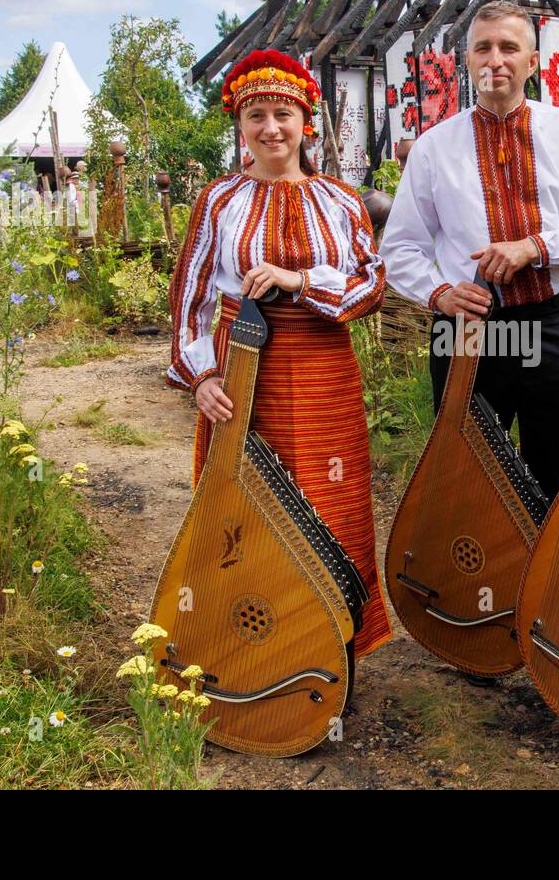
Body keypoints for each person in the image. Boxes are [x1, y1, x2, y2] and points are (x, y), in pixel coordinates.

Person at [167, 48, 393, 660]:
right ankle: (246, 648)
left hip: (324, 373)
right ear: (240, 126)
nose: (271, 127)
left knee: (329, 500)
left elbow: (371, 285)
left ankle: (331, 649)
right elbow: (188, 298)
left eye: (283, 114)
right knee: (244, 503)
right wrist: (202, 377)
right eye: (257, 115)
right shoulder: (218, 201)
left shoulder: (342, 202)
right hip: (243, 372)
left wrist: (301, 282)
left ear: (305, 122)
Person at [381, 0, 559, 504]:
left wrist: (535, 247)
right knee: (465, 475)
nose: (494, 59)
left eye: (508, 47)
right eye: (483, 48)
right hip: (466, 330)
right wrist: (439, 294)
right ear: (467, 61)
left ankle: (549, 580)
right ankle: (473, 580)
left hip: (551, 326)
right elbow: (400, 247)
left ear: (532, 62)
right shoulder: (434, 146)